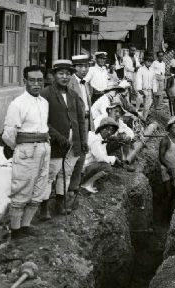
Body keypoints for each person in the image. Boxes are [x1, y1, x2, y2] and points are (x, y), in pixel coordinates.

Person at [2, 66, 50, 240]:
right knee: (22, 188)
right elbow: (8, 134)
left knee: (39, 189)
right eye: (32, 80)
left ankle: (26, 225)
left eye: (40, 80)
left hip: (44, 148)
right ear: (25, 81)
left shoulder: (44, 103)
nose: (36, 84)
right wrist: (20, 149)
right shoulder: (17, 104)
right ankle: (15, 230)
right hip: (27, 150)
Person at [40, 60, 87, 218]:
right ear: (54, 75)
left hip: (73, 142)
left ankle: (60, 204)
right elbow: (43, 121)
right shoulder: (46, 94)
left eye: (68, 74)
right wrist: (58, 137)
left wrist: (83, 141)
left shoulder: (73, 95)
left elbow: (80, 120)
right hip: (55, 142)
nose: (65, 77)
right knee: (50, 173)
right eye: (61, 73)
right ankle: (43, 208)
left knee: (66, 173)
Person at [67, 55, 95, 204]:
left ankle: (74, 186)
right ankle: (66, 190)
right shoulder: (70, 83)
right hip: (75, 124)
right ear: (75, 68)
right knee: (72, 156)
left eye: (86, 66)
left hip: (85, 123)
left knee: (83, 154)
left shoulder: (86, 83)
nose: (84, 69)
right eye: (80, 66)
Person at [82, 117, 121, 193]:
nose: (109, 132)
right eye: (107, 129)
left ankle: (89, 183)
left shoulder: (102, 140)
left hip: (87, 167)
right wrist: (114, 159)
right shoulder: (95, 139)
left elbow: (103, 155)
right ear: (101, 128)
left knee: (106, 165)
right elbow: (100, 158)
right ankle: (86, 184)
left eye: (112, 130)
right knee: (106, 167)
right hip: (82, 169)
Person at [159, 116, 175, 221]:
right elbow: (160, 157)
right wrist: (168, 166)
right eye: (173, 128)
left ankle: (172, 216)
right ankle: (165, 217)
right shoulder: (165, 141)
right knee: (168, 193)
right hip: (166, 169)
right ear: (169, 129)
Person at [135, 54, 157, 120]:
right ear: (144, 61)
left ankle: (144, 119)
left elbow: (154, 81)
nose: (149, 63)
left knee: (147, 107)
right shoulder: (141, 69)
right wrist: (140, 89)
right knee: (138, 106)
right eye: (148, 61)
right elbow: (139, 80)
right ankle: (136, 118)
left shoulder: (152, 70)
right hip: (142, 90)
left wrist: (154, 90)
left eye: (151, 62)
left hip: (149, 90)